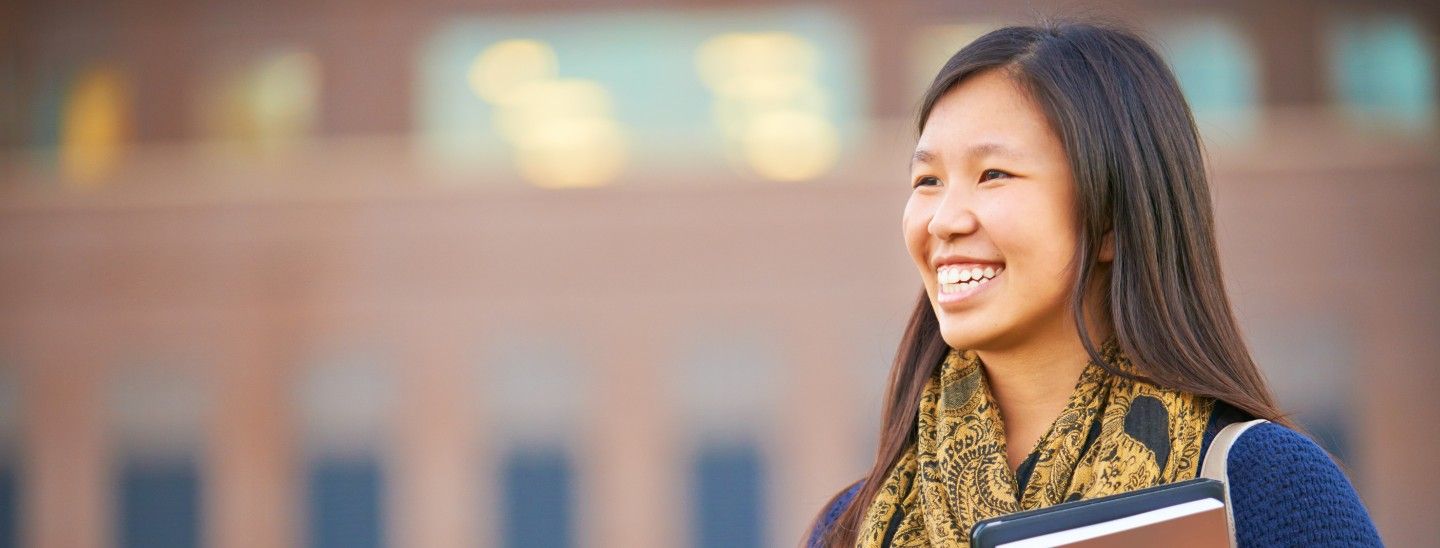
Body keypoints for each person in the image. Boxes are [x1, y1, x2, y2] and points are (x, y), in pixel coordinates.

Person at [805, 22, 1382, 547]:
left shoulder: (1264, 485)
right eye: (927, 180)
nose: (944, 220)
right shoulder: (854, 524)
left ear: (1109, 217)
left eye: (993, 175)